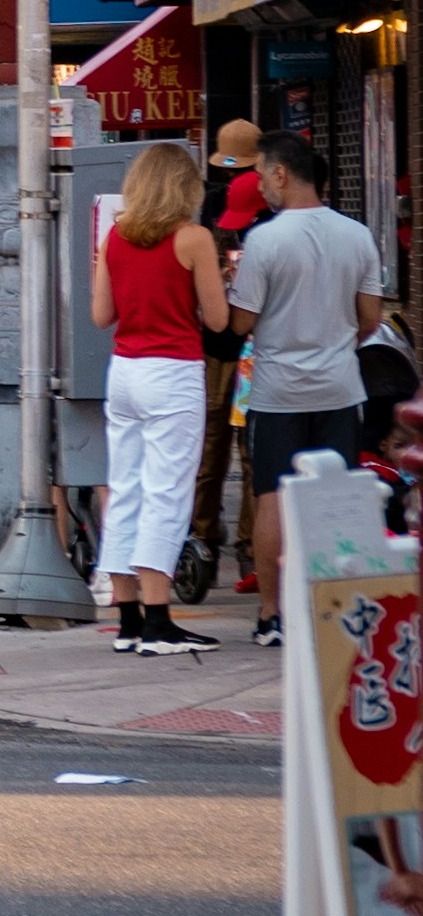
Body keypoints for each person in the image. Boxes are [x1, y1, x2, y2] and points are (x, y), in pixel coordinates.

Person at [229, 129, 389, 648]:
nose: (259, 186)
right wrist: (335, 340)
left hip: (277, 391)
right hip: (340, 388)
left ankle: (271, 615)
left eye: (259, 175)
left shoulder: (264, 240)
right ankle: (339, 610)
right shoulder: (357, 234)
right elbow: (370, 319)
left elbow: (240, 323)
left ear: (280, 173)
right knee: (336, 498)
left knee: (271, 497)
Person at [90, 141, 229, 655]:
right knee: (168, 492)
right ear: (183, 186)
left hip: (123, 370)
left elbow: (101, 316)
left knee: (125, 487)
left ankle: (127, 618)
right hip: (172, 371)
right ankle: (158, 620)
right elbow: (217, 320)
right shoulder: (193, 238)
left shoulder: (116, 236)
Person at [184, 119, 269, 600]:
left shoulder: (272, 216)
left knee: (243, 450)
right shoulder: (213, 206)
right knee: (215, 447)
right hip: (223, 344)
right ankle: (206, 542)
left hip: (243, 347)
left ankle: (246, 549)